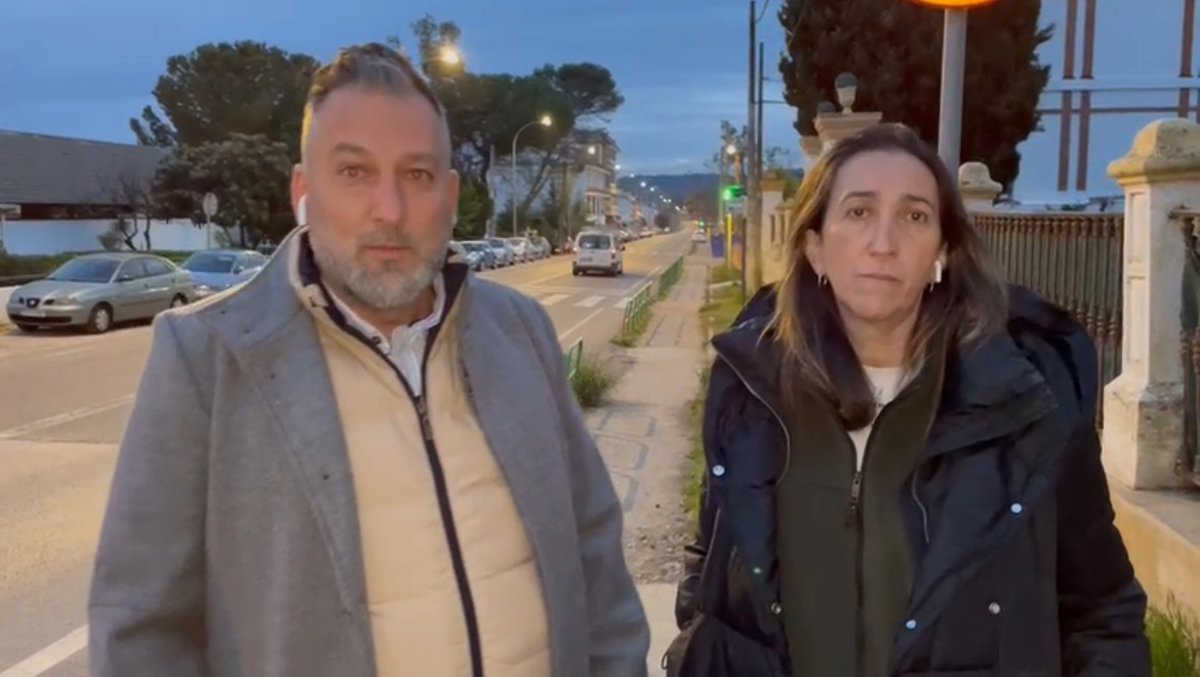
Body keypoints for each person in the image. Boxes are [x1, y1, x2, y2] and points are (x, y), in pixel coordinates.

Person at [88, 43, 649, 677]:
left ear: (450, 195)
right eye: (354, 172)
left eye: (417, 175)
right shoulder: (208, 358)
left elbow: (595, 552)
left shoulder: (522, 331)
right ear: (303, 190)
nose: (390, 209)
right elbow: (141, 629)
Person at [665, 123, 1150, 676]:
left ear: (942, 251)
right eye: (858, 212)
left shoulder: (1025, 404)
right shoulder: (751, 386)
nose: (883, 243)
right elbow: (711, 560)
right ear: (815, 246)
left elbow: (1102, 611)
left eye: (914, 216)